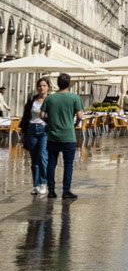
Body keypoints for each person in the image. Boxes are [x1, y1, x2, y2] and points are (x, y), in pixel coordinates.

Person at [43, 72, 84, 200]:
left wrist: (50, 123)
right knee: (68, 165)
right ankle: (66, 191)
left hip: (53, 136)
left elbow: (42, 115)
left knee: (51, 164)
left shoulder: (50, 98)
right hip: (68, 136)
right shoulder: (74, 98)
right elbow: (80, 116)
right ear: (69, 84)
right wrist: (75, 124)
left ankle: (51, 190)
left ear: (58, 83)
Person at [20, 78, 50, 194]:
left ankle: (44, 183)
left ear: (48, 87)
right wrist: (23, 133)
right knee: (34, 160)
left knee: (43, 156)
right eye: (39, 86)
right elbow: (26, 116)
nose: (41, 88)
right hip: (31, 129)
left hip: (44, 130)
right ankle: (36, 185)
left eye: (44, 85)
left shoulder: (50, 100)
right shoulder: (32, 100)